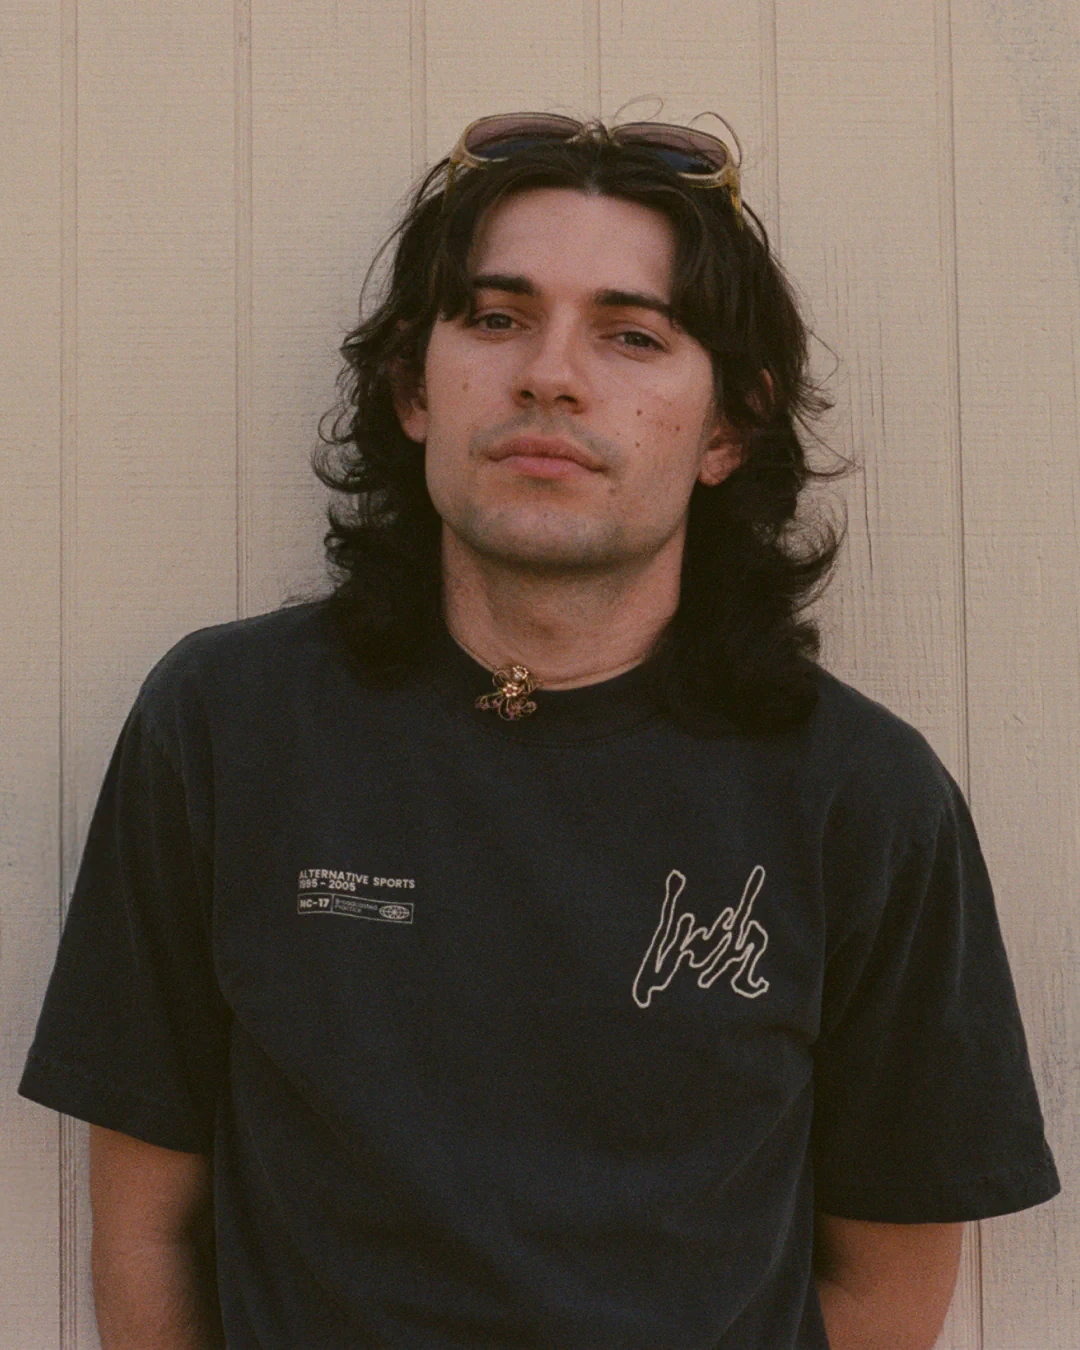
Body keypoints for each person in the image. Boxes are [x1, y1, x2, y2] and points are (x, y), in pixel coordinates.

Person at [21, 111, 1059, 1350]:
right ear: (414, 389)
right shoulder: (227, 727)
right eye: (497, 317)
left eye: (632, 335)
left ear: (730, 427)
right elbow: (145, 1235)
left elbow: (890, 1287)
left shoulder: (864, 797)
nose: (551, 376)